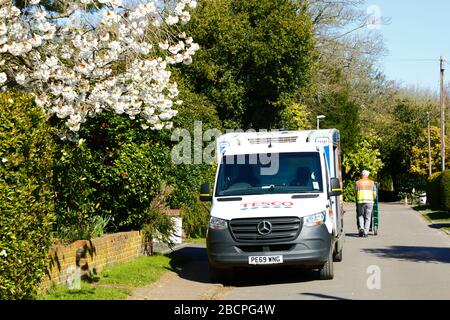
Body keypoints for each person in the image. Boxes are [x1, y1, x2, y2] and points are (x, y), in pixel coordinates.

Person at [355, 170, 376, 238]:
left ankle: (361, 228)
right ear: (367, 175)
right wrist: (373, 199)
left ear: (362, 175)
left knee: (360, 215)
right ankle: (366, 232)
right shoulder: (372, 183)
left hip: (360, 201)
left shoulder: (358, 182)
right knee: (368, 217)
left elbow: (355, 192)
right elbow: (374, 194)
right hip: (370, 202)